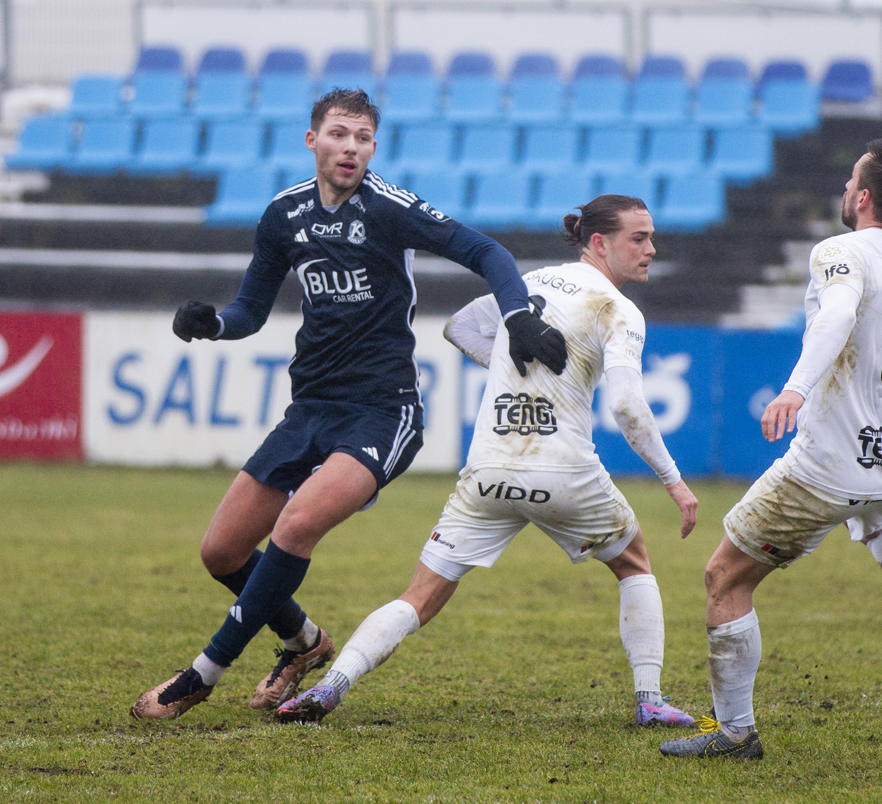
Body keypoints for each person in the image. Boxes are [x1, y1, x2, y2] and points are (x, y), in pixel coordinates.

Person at [130, 88, 569, 720]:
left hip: (381, 410)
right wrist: (215, 325)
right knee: (220, 552)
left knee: (296, 525)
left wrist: (518, 315)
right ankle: (305, 643)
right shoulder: (284, 215)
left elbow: (486, 252)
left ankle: (202, 673)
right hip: (309, 406)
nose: (352, 148)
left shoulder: (389, 208)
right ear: (313, 141)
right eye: (339, 134)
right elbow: (251, 310)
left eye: (363, 137)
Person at [276, 194, 701, 728]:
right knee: (634, 563)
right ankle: (650, 701)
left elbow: (459, 327)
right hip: (565, 472)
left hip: (489, 472)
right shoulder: (618, 310)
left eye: (651, 237)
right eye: (638, 238)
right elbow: (625, 405)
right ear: (599, 243)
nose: (651, 249)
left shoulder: (528, 283)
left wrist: (514, 365)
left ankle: (328, 688)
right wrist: (673, 480)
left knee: (419, 596)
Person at [660, 140, 882, 761]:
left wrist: (794, 389)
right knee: (877, 523)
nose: (845, 190)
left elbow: (838, 314)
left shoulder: (840, 251)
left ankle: (736, 734)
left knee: (723, 580)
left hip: (823, 466)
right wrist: (880, 424)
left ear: (865, 197)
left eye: (851, 181)